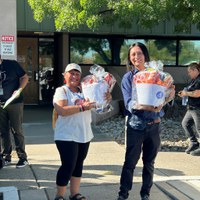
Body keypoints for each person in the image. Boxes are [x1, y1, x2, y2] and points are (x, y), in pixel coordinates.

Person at [116, 42, 175, 200]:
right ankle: (123, 194)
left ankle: (145, 194)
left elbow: (164, 99)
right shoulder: (129, 78)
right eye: (133, 54)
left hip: (154, 126)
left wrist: (169, 95)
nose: (136, 57)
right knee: (130, 162)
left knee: (149, 163)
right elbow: (129, 104)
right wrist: (147, 106)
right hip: (136, 126)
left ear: (145, 56)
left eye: (139, 53)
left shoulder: (156, 76)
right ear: (130, 58)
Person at [53, 63, 111, 200]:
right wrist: (82, 108)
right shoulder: (62, 91)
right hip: (66, 135)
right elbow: (61, 110)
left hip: (84, 134)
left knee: (78, 165)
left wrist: (105, 98)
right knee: (68, 165)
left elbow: (99, 107)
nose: (74, 76)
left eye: (77, 74)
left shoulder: (86, 89)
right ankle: (59, 195)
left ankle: (74, 194)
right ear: (64, 75)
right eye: (71, 73)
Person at [0, 55, 29, 169]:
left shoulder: (12, 64)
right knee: (3, 131)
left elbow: (25, 77)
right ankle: (6, 156)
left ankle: (22, 157)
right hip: (0, 103)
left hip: (14, 102)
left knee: (16, 129)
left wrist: (19, 90)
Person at [178, 62, 200, 156]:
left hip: (198, 108)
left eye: (190, 71)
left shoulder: (199, 80)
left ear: (195, 70)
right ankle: (194, 143)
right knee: (185, 124)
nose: (189, 74)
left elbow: (198, 93)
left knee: (199, 128)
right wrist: (183, 93)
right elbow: (190, 91)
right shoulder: (193, 80)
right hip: (191, 108)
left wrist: (186, 94)